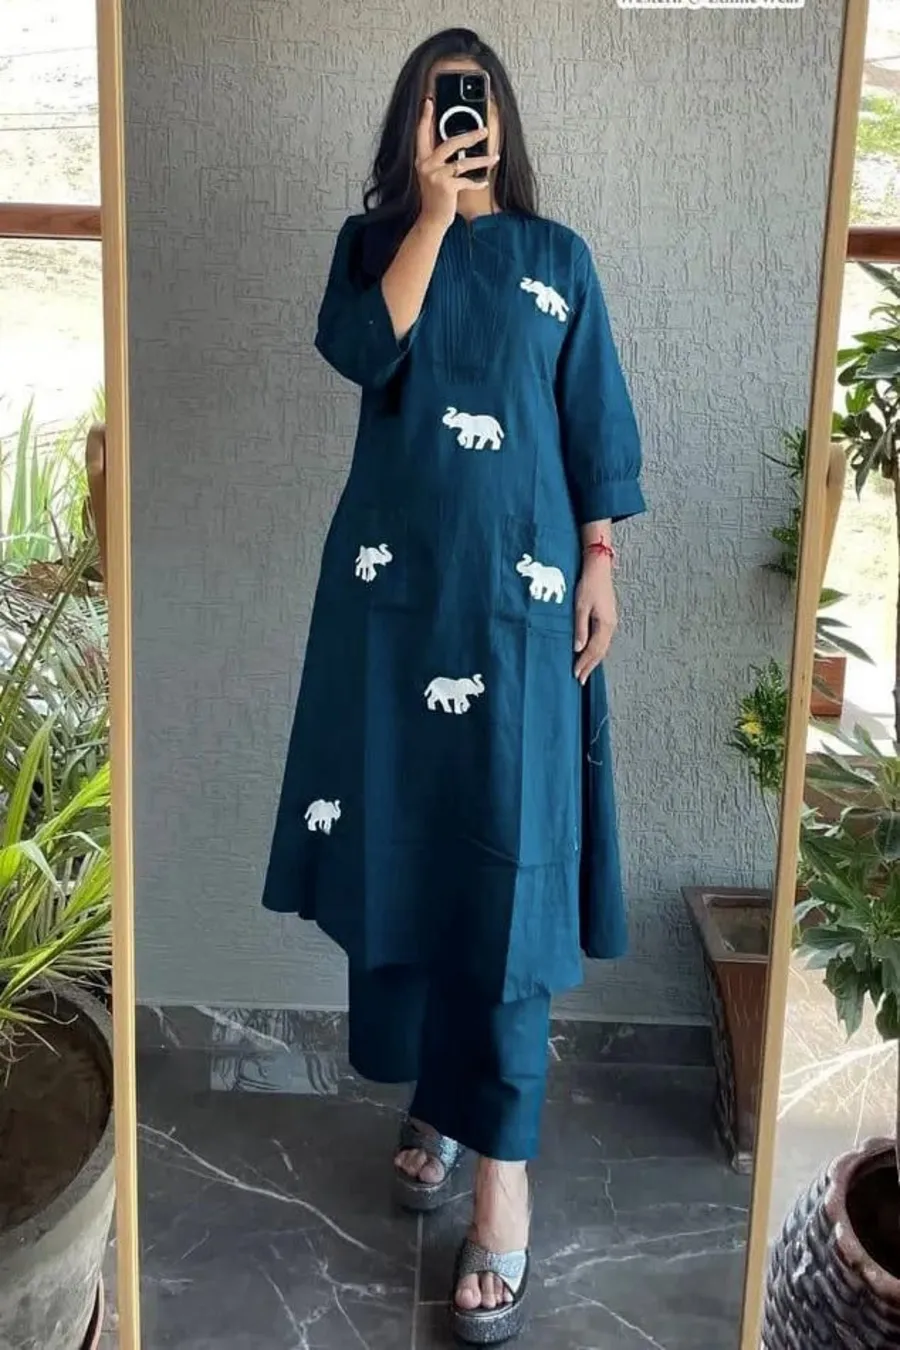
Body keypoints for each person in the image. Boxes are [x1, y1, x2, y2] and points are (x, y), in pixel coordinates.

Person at [262, 26, 645, 1345]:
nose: (457, 125)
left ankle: (504, 1175)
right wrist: (428, 213)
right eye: (437, 107)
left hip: (523, 618)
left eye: (470, 106)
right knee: (409, 853)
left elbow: (593, 426)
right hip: (394, 613)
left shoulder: (561, 260)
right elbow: (364, 352)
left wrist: (602, 559)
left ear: (501, 119)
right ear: (410, 125)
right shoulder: (372, 244)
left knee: (511, 876)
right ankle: (436, 1094)